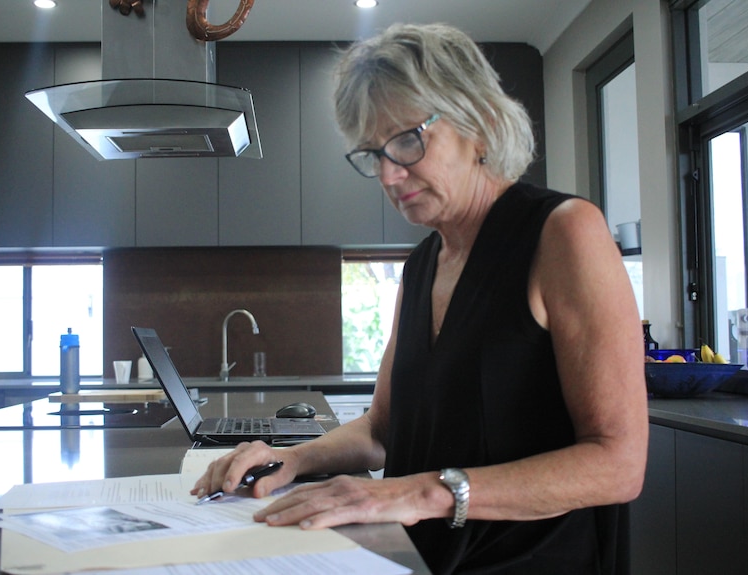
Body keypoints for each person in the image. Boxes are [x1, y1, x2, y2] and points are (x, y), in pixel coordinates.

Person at [191, 22, 648, 574]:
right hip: (420, 559)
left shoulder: (564, 232)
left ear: (477, 122)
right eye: (372, 153)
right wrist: (291, 458)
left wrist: (422, 493)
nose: (387, 173)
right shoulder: (422, 264)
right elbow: (383, 431)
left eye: (407, 140)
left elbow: (619, 463)